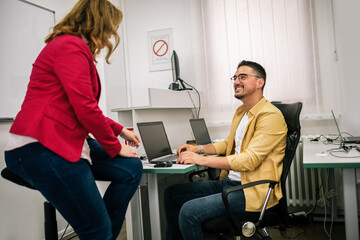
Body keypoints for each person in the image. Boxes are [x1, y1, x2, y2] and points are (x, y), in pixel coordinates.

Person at [4, 0, 142, 239]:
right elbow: (85, 107)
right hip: (41, 146)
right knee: (96, 230)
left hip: (63, 142)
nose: (110, 36)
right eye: (110, 29)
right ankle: (101, 232)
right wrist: (113, 145)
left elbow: (81, 104)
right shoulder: (69, 46)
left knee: (130, 168)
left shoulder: (73, 47)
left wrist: (120, 131)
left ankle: (103, 231)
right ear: (99, 24)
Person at [164, 60, 288, 240]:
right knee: (172, 194)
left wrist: (201, 160)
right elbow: (229, 143)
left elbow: (249, 160)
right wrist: (198, 149)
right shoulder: (241, 112)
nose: (236, 81)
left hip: (252, 191)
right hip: (232, 183)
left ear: (259, 82)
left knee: (188, 212)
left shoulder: (270, 116)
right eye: (235, 77)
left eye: (243, 77)